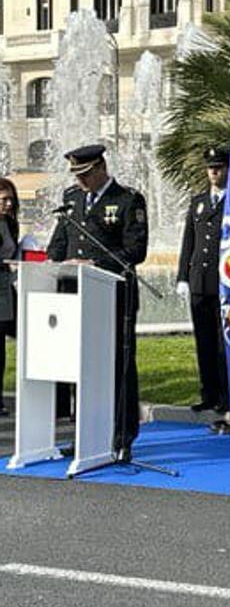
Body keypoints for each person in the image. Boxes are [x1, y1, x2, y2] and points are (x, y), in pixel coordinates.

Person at [47, 143, 149, 460]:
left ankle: (121, 438)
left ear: (101, 167)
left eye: (86, 174)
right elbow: (59, 242)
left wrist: (95, 266)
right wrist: (52, 262)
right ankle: (85, 436)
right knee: (82, 367)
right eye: (77, 175)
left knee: (118, 366)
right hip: (76, 296)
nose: (80, 181)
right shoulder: (71, 199)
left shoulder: (127, 199)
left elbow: (135, 250)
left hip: (113, 295)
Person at [176, 146, 230, 414]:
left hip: (224, 282)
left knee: (223, 342)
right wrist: (183, 276)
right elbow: (189, 240)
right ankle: (207, 392)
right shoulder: (198, 201)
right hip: (199, 280)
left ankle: (225, 393)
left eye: (219, 167)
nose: (214, 172)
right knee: (204, 341)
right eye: (211, 168)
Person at [0, 177, 20, 417]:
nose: (8, 205)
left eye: (11, 201)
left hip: (6, 288)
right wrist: (7, 265)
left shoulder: (10, 224)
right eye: (4, 200)